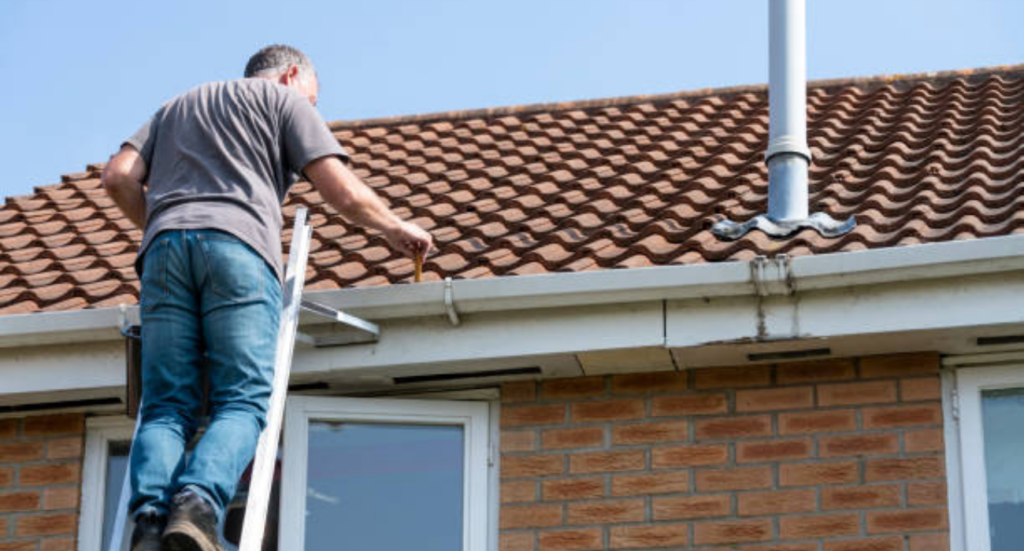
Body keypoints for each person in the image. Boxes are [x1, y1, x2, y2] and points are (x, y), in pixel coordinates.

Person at [102, 44, 432, 551]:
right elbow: (341, 190)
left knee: (166, 405)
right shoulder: (284, 102)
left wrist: (165, 225)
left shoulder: (176, 106)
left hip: (163, 253)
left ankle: (148, 523)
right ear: (292, 74)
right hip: (238, 250)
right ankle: (196, 505)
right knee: (241, 399)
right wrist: (395, 227)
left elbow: (119, 176)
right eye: (314, 99)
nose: (313, 108)